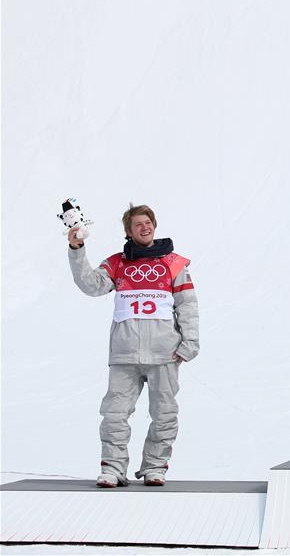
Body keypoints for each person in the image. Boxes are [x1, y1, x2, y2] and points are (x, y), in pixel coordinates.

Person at [67, 203, 199, 487]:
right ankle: (113, 469)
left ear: (155, 225)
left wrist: (189, 343)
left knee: (164, 415)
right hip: (124, 354)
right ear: (129, 231)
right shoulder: (117, 263)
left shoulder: (174, 264)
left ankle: (155, 467)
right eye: (138, 224)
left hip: (165, 354)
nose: (144, 227)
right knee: (114, 415)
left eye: (148, 222)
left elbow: (187, 305)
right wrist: (77, 249)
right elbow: (91, 285)